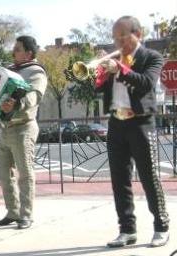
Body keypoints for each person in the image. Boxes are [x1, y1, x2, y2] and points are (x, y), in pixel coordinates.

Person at [95, 16, 169, 247]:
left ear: (139, 34)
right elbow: (99, 89)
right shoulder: (114, 59)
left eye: (123, 36)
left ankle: (161, 226)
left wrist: (121, 70)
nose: (118, 42)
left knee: (148, 177)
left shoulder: (151, 57)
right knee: (119, 179)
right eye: (115, 38)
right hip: (116, 123)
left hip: (140, 123)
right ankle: (127, 230)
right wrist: (101, 74)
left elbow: (146, 83)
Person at [0, 36, 47, 229]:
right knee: (3, 172)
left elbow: (35, 95)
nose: (13, 52)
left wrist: (18, 103)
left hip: (24, 127)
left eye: (17, 49)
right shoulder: (9, 70)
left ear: (28, 53)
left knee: (25, 173)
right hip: (5, 128)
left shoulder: (36, 72)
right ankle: (13, 212)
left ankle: (26, 215)